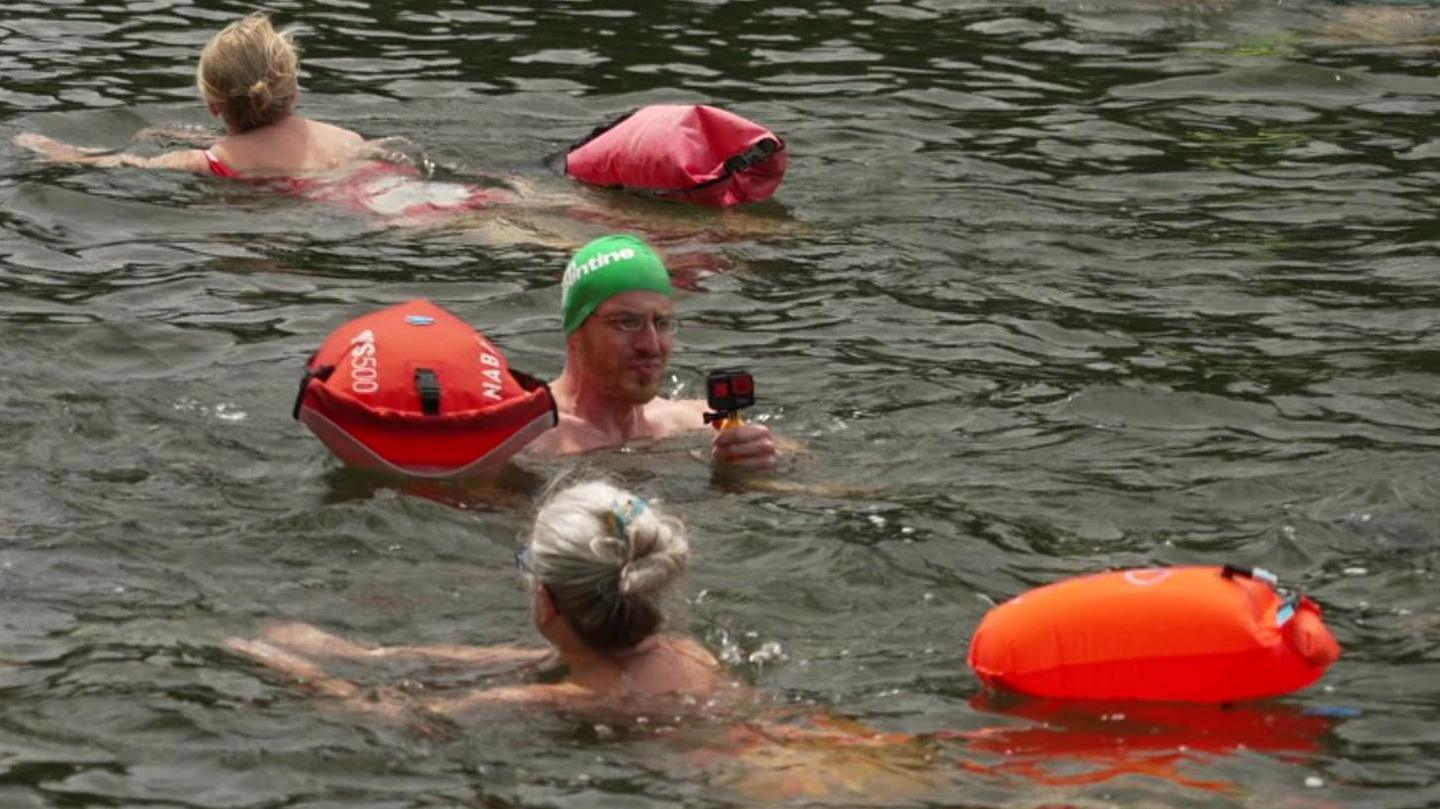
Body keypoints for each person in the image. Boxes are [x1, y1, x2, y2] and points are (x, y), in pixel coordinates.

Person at [225, 480, 732, 713]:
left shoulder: (570, 699)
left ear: (546, 600)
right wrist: (367, 655)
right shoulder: (684, 653)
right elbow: (528, 659)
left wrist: (296, 673)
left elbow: (401, 716)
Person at [12, 13, 510, 218]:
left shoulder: (207, 161)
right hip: (386, 178)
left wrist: (65, 154)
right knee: (501, 210)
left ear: (214, 106)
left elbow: (124, 164)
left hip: (360, 210)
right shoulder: (340, 134)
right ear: (292, 95)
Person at [525, 234, 781, 470]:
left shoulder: (696, 424)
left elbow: (809, 475)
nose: (650, 344)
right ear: (575, 331)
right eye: (626, 322)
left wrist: (756, 463)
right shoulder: (529, 441)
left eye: (662, 324)